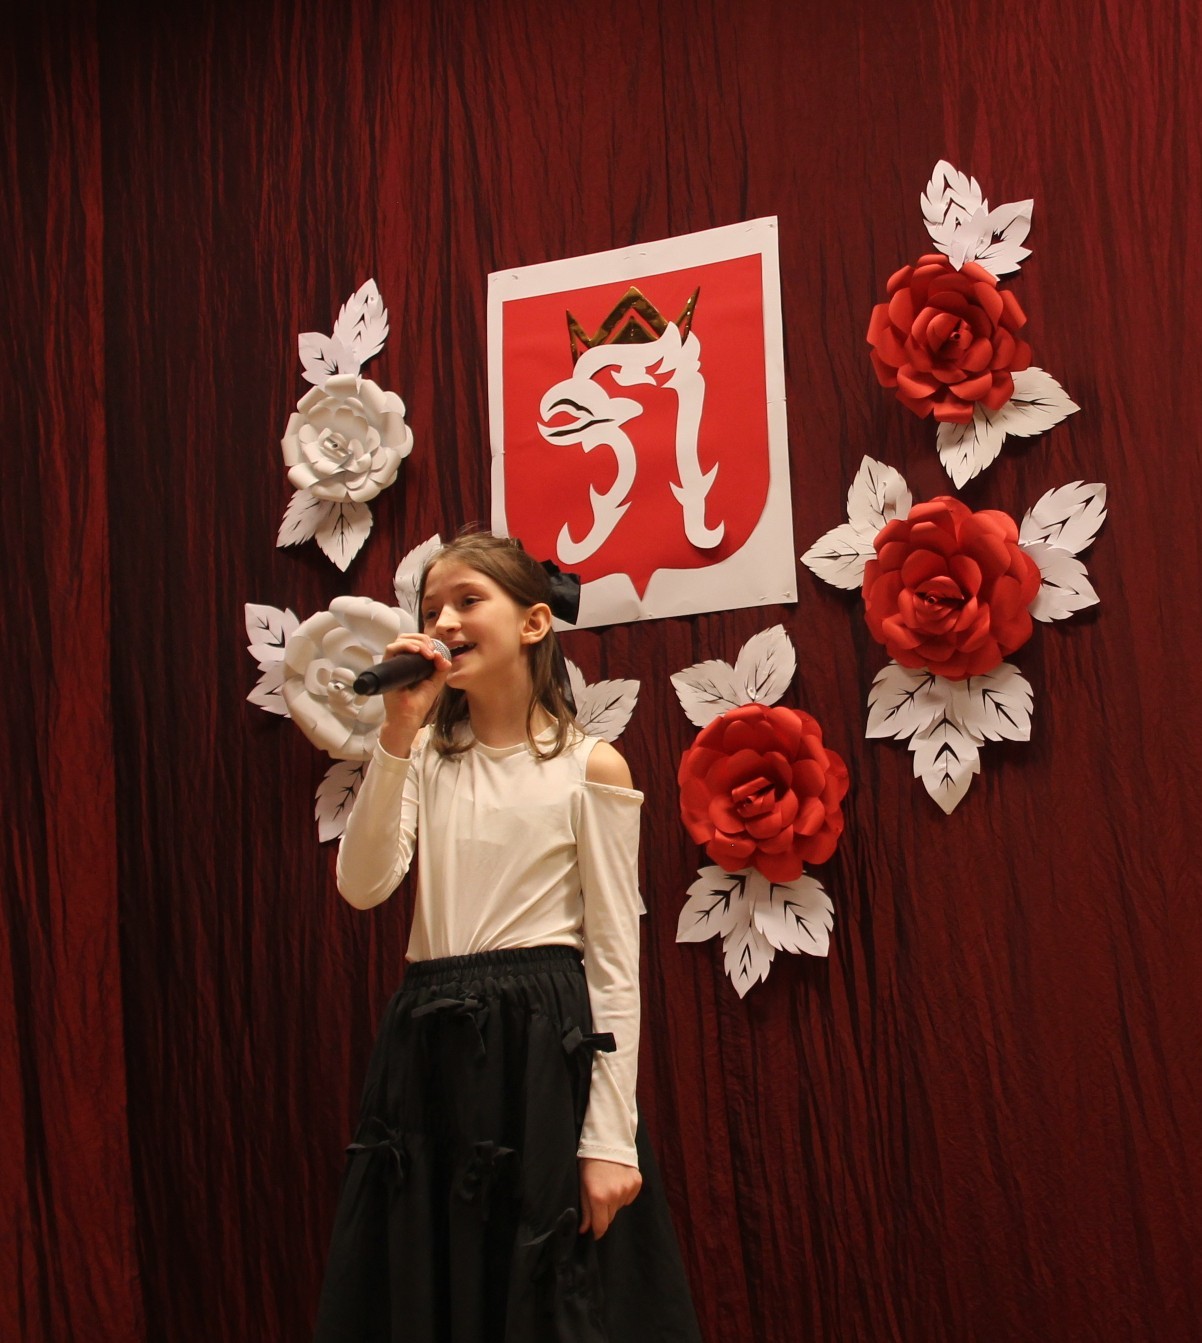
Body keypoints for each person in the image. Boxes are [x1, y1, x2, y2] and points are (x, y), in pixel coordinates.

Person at [313, 532, 700, 1343]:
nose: (444, 622)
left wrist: (609, 1137)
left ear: (533, 622)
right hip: (429, 1051)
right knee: (435, 1286)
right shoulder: (423, 756)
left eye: (466, 600)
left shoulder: (591, 766)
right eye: (431, 610)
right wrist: (396, 733)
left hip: (540, 1051)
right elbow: (363, 884)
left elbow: (615, 963)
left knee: (546, 1298)